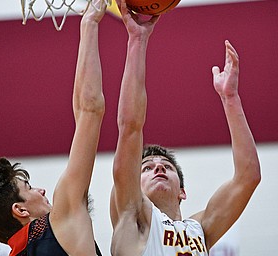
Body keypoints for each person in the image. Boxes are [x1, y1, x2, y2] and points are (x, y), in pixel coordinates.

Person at [109, 1, 261, 255]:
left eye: (166, 167)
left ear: (182, 191)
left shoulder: (200, 228)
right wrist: (137, 40)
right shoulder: (132, 216)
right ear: (133, 184)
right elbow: (130, 128)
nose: (158, 167)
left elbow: (248, 177)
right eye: (146, 168)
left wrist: (231, 99)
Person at [0, 0, 107, 255]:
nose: (41, 190)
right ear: (20, 210)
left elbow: (83, 114)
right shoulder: (56, 226)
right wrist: (90, 23)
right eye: (28, 189)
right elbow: (89, 111)